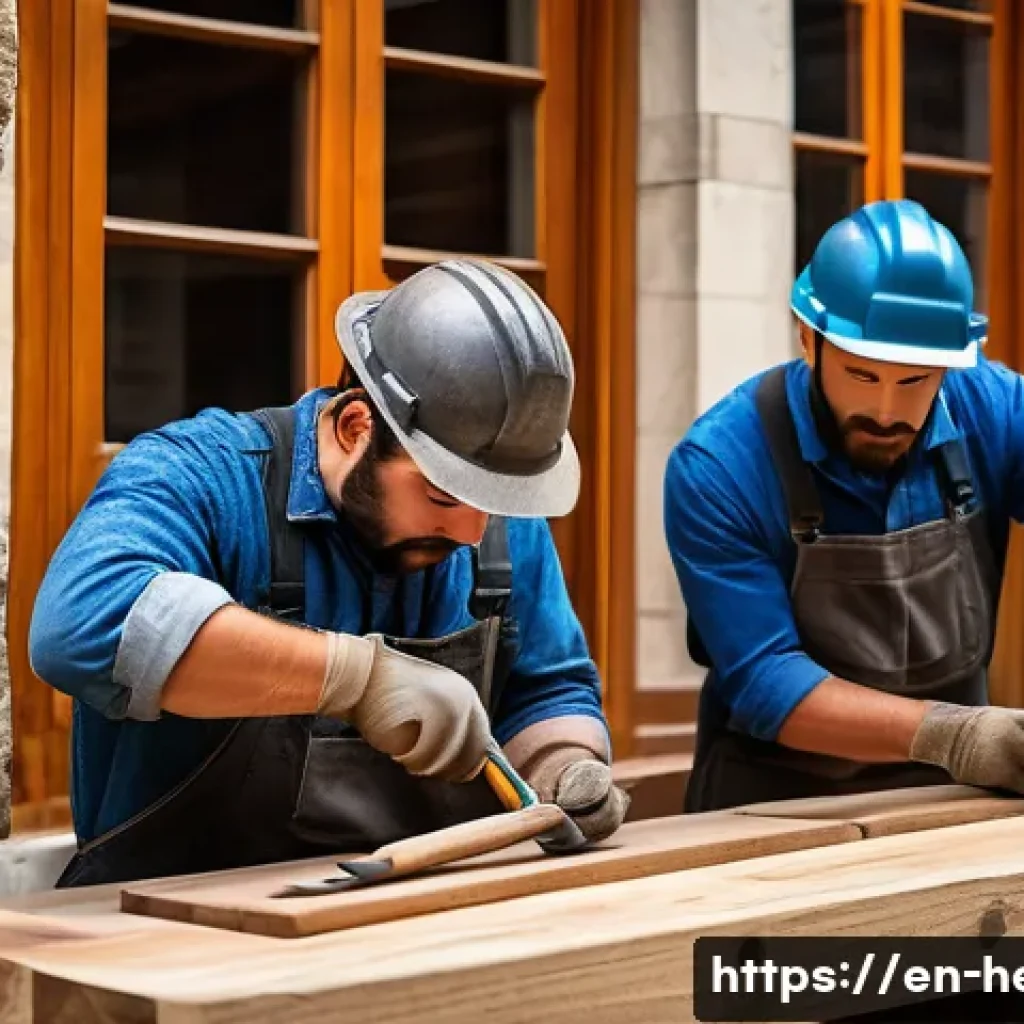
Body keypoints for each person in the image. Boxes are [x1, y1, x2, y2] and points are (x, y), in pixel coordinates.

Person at [30, 258, 628, 886]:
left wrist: (565, 763)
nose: (473, 534)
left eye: (492, 504)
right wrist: (354, 679)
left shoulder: (490, 506)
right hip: (176, 926)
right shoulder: (202, 475)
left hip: (414, 917)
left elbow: (548, 689)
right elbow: (82, 626)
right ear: (354, 426)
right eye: (443, 497)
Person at [664, 198, 1024, 813]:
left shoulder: (991, 407)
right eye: (861, 375)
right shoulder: (719, 465)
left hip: (955, 804)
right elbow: (765, 683)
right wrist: (957, 735)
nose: (887, 411)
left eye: (914, 381)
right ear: (808, 338)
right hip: (773, 809)